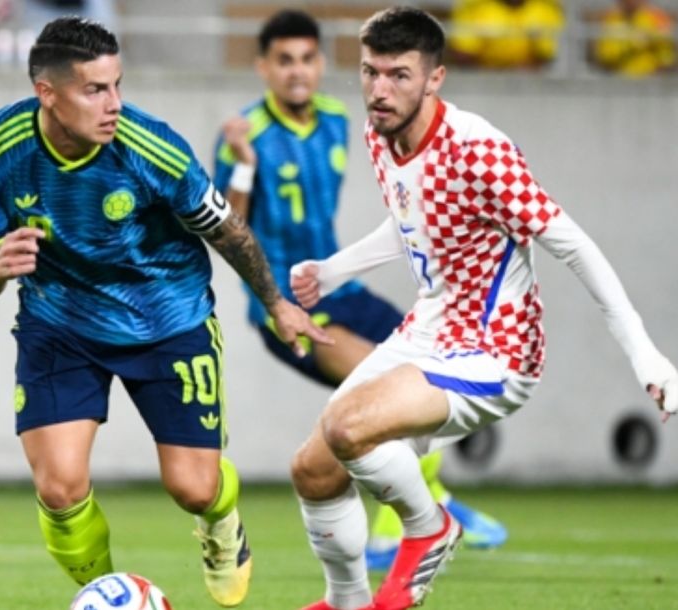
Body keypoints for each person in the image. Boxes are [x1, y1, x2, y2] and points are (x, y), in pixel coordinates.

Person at [288, 7, 677, 610]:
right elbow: (414, 220)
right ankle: (347, 602)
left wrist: (643, 351)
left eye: (398, 75)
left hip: (496, 350)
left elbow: (573, 245)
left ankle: (430, 527)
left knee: (347, 428)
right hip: (429, 329)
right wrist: (334, 271)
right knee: (312, 468)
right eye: (370, 73)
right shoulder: (381, 131)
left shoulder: (479, 149)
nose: (380, 90)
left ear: (435, 78)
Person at [0, 16, 330, 608]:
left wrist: (277, 303)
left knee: (194, 487)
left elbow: (228, 232)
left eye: (118, 85)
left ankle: (221, 524)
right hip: (60, 324)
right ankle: (109, 595)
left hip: (168, 320)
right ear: (46, 94)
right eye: (95, 90)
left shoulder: (151, 148)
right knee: (59, 488)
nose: (114, 105)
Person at [211, 9, 507, 573]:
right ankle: (395, 532)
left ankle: (431, 505)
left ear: (322, 64)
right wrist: (245, 167)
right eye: (284, 61)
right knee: (385, 400)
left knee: (434, 365)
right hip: (287, 307)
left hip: (340, 289)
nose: (297, 72)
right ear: (263, 68)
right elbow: (230, 229)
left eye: (306, 59)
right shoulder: (245, 134)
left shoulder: (339, 120)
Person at [448, 0, 565, 70]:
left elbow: (547, 56)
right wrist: (496, 74)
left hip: (533, 86)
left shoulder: (545, 8)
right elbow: (462, 54)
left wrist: (521, 71)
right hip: (483, 81)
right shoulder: (474, 6)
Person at [593, 0, 676, 77]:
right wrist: (632, 44)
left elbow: (667, 56)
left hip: (650, 82)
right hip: (619, 81)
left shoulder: (656, 18)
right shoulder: (611, 19)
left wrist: (651, 40)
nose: (631, 2)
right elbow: (604, 55)